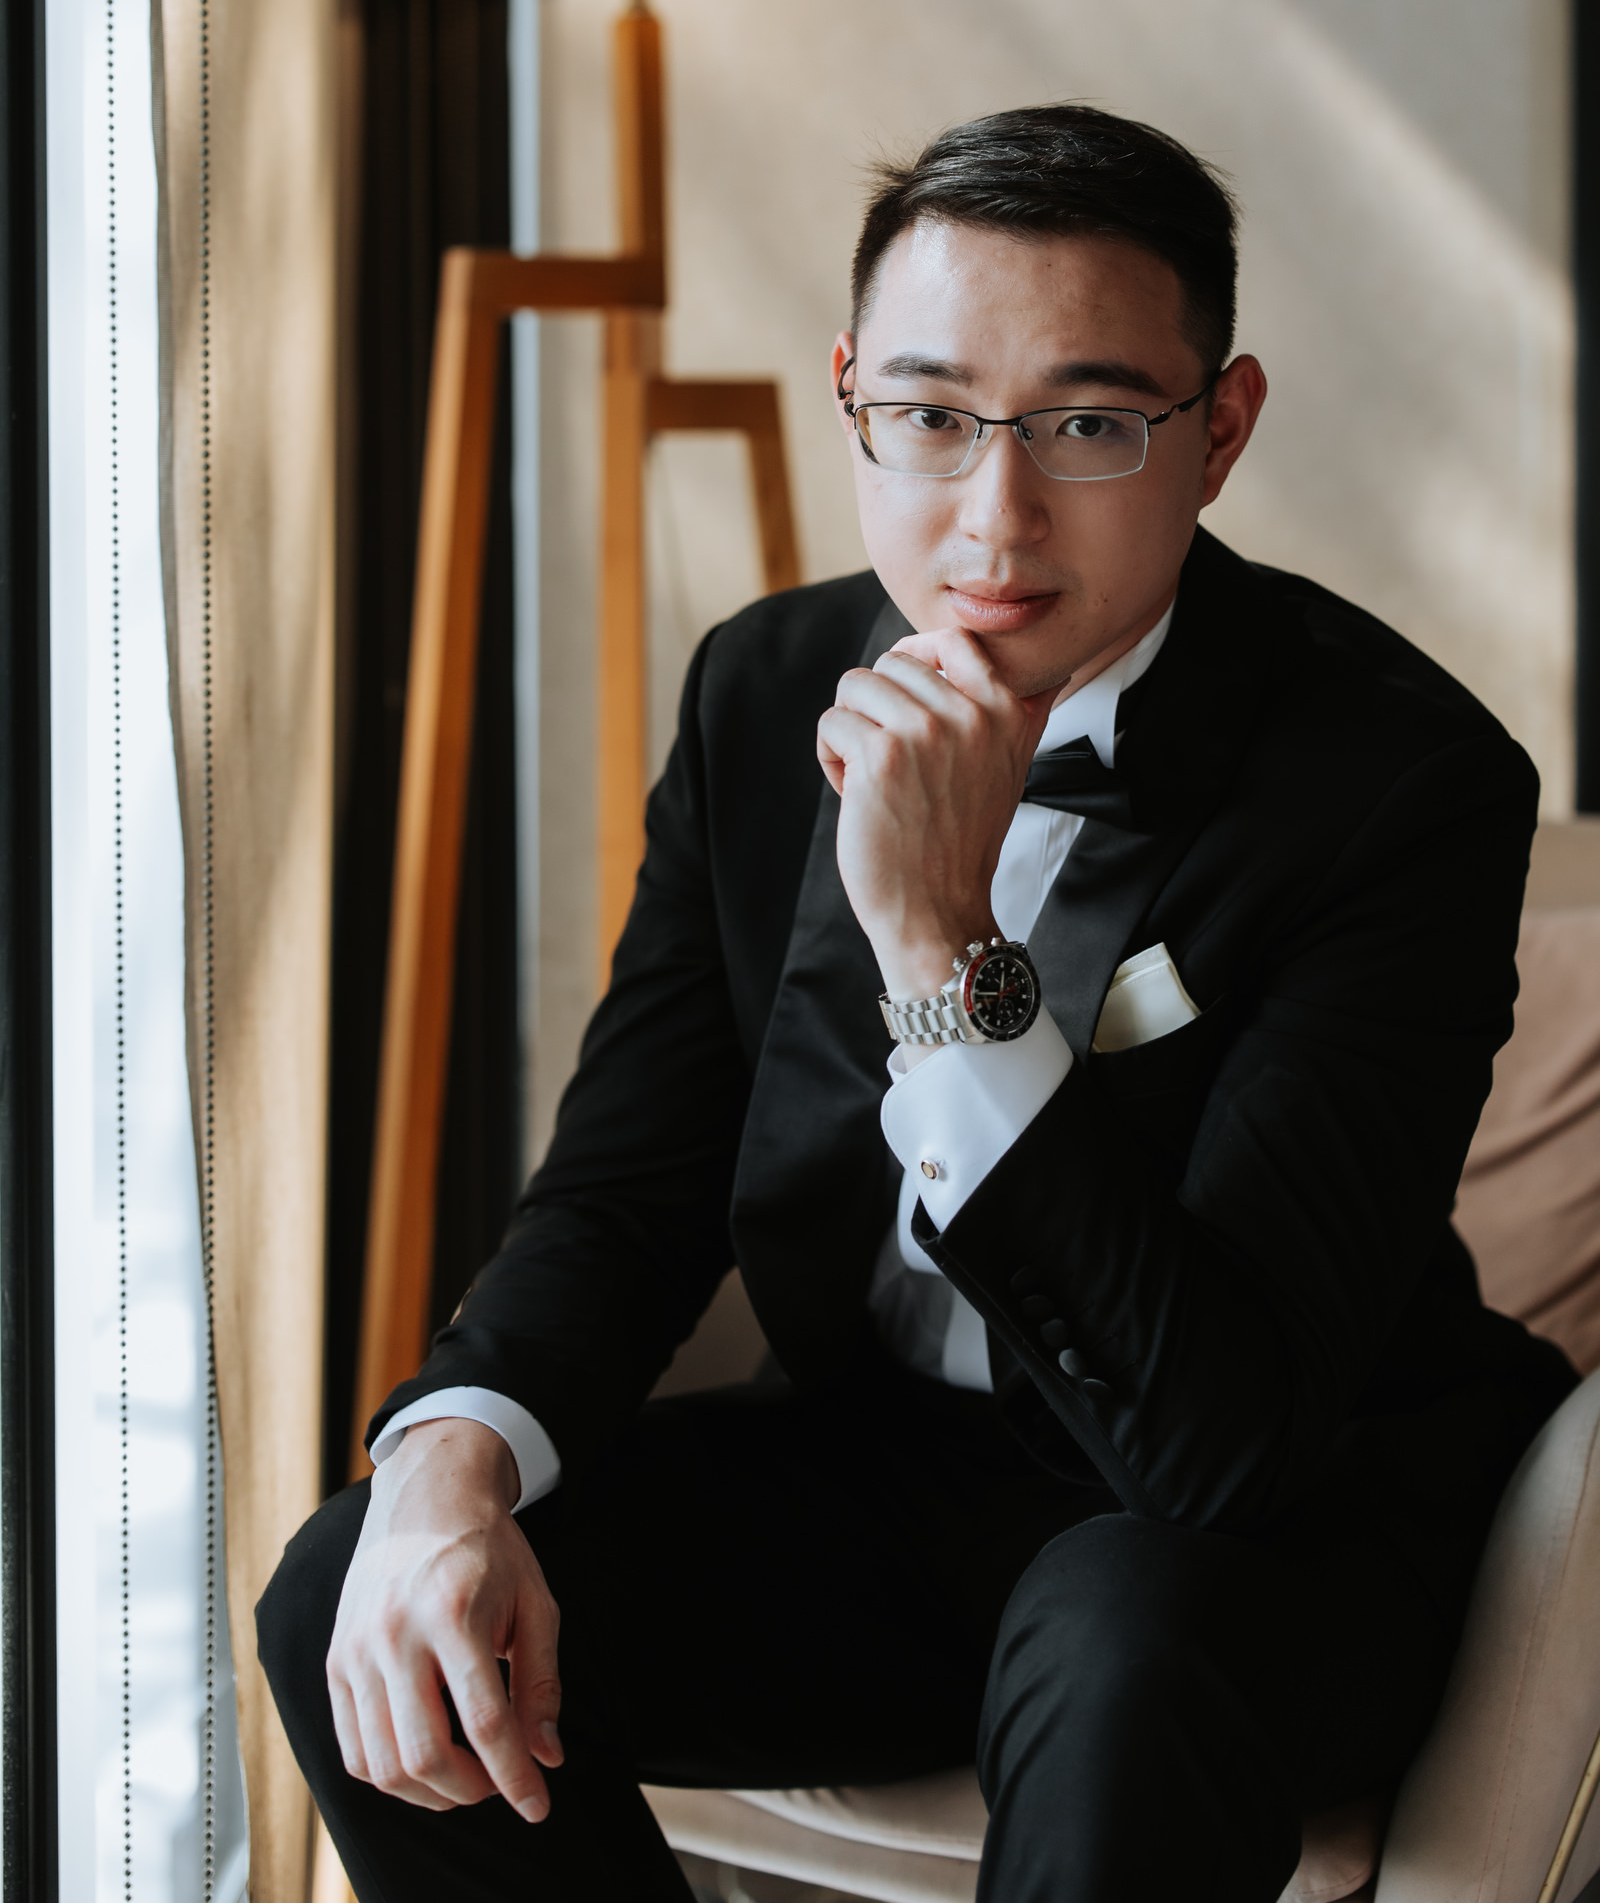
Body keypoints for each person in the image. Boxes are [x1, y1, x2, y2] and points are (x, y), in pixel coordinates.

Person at [259, 104, 1574, 1903]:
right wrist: (450, 1460)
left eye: (1091, 425)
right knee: (355, 1589)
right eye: (935, 417)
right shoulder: (760, 691)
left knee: (1119, 1633)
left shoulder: (1401, 784)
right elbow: (630, 1191)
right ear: (850, 398)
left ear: (1221, 431)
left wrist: (944, 948)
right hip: (883, 1488)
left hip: (1266, 1519)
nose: (994, 517)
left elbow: (1218, 1440)